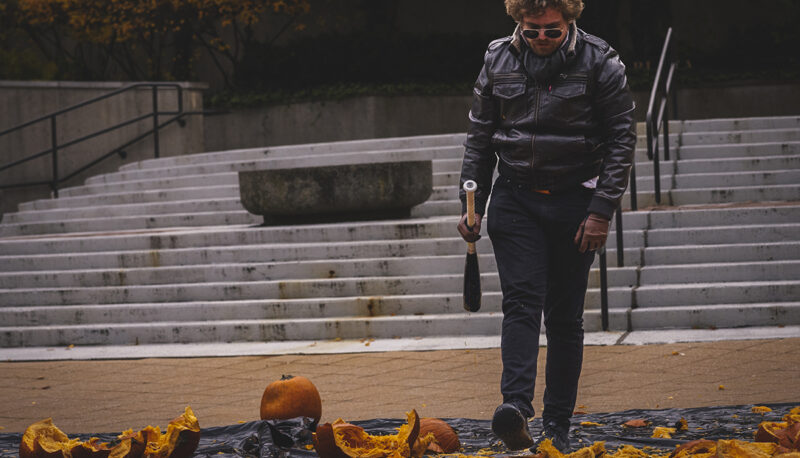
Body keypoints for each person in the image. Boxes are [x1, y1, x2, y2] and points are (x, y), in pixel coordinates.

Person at [457, 0, 636, 452]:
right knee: (520, 303)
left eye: (551, 31)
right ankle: (514, 409)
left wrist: (601, 211)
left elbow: (621, 139)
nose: (540, 38)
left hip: (576, 200)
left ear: (570, 22)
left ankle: (558, 424)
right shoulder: (497, 59)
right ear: (519, 21)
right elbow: (479, 136)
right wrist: (468, 201)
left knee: (563, 318)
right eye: (531, 29)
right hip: (515, 199)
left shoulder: (601, 62)